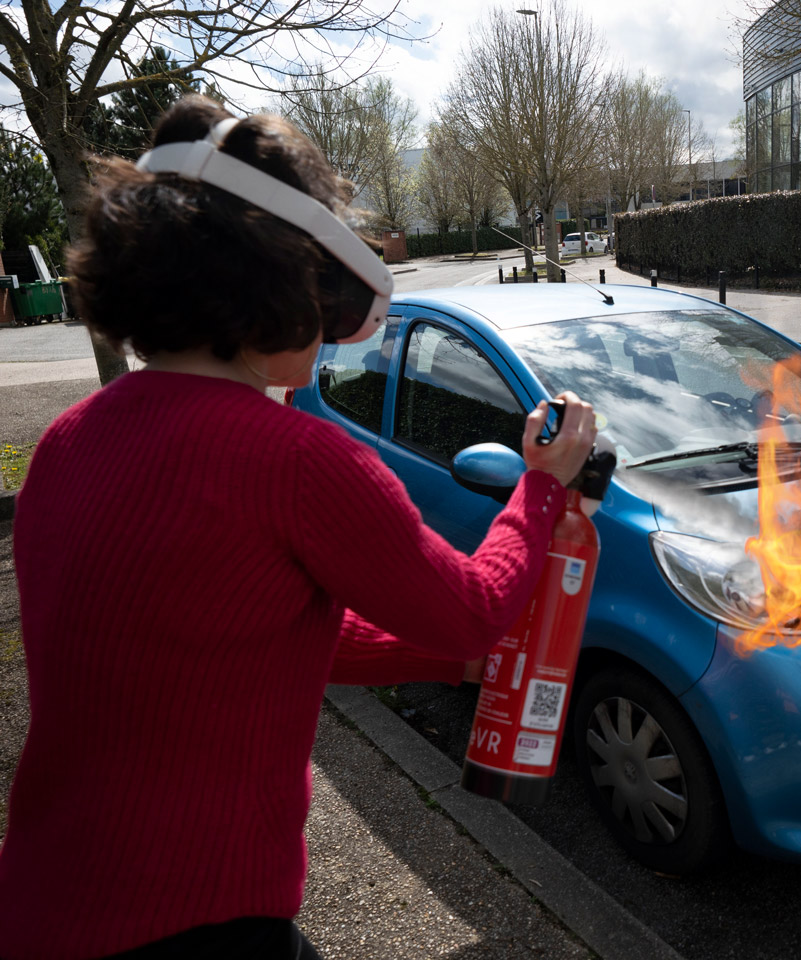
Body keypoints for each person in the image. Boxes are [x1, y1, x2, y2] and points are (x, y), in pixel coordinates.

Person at [0, 95, 596, 959]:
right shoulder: (296, 460)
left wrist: (449, 663)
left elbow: (248, 627)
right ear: (284, 282)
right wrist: (540, 489)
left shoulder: (68, 440)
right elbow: (474, 605)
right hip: (195, 920)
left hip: (39, 907)